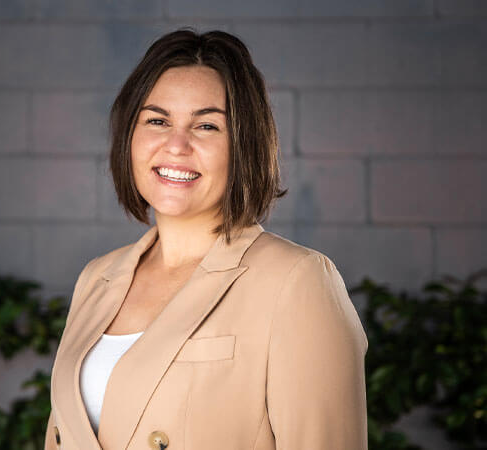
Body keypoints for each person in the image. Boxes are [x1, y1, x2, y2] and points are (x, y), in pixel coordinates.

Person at [44, 28, 368, 450]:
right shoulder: (97, 277)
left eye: (207, 126)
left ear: (245, 145)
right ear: (129, 136)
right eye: (157, 120)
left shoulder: (297, 281)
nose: (176, 145)